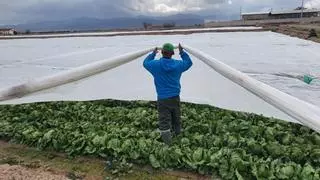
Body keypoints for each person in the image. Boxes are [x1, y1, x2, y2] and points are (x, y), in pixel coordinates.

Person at [143, 43, 193, 144]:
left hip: (163, 98)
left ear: (162, 52)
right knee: (176, 116)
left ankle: (168, 144)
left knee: (164, 119)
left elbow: (145, 63)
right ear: (172, 53)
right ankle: (178, 137)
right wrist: (182, 52)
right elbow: (188, 62)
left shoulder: (155, 65)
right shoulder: (178, 65)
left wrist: (152, 54)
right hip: (175, 96)